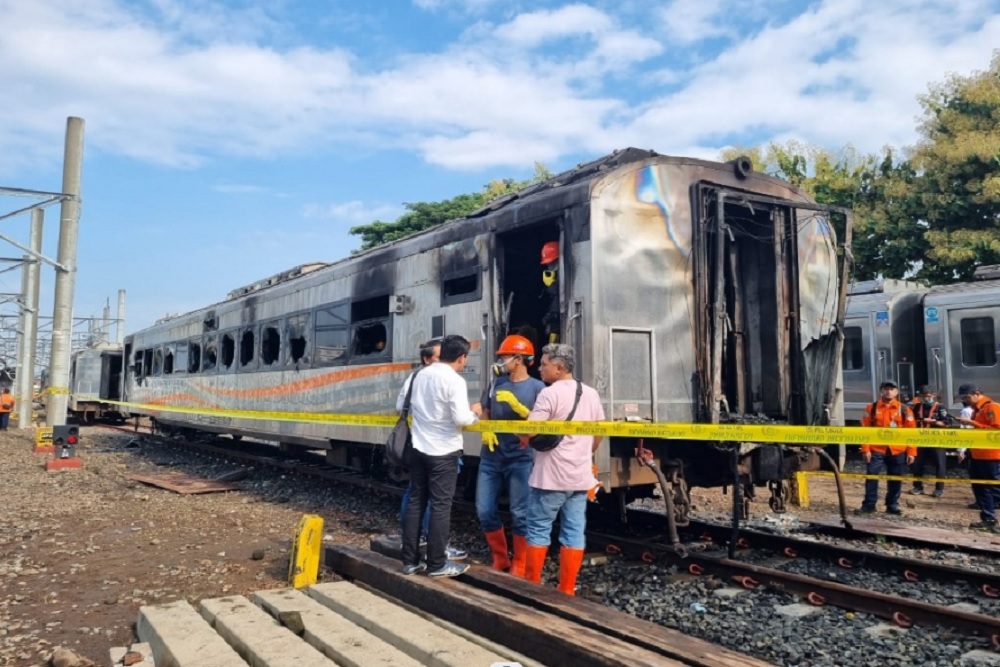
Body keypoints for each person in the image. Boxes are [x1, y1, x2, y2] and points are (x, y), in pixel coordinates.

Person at [522, 344, 605, 595]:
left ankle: (532, 586)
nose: (539, 367)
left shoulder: (549, 394)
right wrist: (584, 452)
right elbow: (599, 431)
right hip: (579, 478)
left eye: (544, 364)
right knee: (573, 531)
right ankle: (567, 588)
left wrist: (521, 428)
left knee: (538, 529)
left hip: (550, 477)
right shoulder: (590, 393)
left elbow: (529, 431)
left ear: (558, 368)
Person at [401, 335, 482, 577]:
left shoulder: (418, 375)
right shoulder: (454, 380)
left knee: (416, 501)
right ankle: (437, 564)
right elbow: (461, 419)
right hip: (443, 452)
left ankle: (410, 562)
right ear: (461, 357)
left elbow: (400, 406)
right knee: (440, 507)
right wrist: (475, 413)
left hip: (417, 448)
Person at [478, 334, 545, 575]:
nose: (501, 360)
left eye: (505, 356)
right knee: (484, 510)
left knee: (520, 512)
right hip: (491, 456)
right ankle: (500, 557)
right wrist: (485, 430)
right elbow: (485, 410)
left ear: (518, 359)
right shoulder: (496, 383)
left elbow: (541, 423)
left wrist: (519, 408)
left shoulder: (538, 388)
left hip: (521, 458)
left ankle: (519, 561)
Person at [856, 380, 916, 516]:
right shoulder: (870, 408)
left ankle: (892, 505)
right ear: (881, 391)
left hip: (898, 450)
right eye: (886, 389)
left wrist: (911, 452)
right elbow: (864, 430)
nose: (889, 391)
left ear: (896, 392)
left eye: (892, 389)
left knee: (896, 477)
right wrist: (865, 449)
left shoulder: (905, 410)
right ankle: (869, 505)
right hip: (876, 449)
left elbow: (912, 432)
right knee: (871, 476)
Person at [954, 383, 1000, 532]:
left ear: (976, 393)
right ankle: (988, 518)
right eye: (964, 397)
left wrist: (972, 423)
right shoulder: (977, 410)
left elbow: (996, 430)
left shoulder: (990, 408)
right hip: (978, 454)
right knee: (981, 487)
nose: (966, 400)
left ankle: (989, 517)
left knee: (992, 487)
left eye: (967, 397)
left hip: (990, 455)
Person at [909, 385, 949, 497]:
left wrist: (933, 422)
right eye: (922, 396)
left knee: (940, 465)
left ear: (933, 395)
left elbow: (946, 424)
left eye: (927, 396)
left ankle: (939, 489)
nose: (925, 398)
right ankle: (917, 486)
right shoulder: (916, 407)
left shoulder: (940, 407)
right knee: (917, 464)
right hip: (920, 439)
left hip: (937, 440)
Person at [539, 241, 560, 345]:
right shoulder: (552, 280)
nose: (550, 267)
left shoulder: (563, 279)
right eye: (548, 264)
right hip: (553, 323)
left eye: (552, 263)